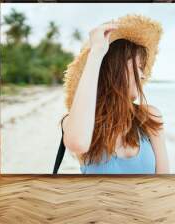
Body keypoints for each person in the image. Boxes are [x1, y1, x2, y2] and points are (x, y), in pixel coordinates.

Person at [61, 15, 169, 174]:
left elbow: (165, 182)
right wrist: (96, 54)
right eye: (139, 67)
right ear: (115, 69)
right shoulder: (75, 122)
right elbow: (78, 143)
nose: (143, 75)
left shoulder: (150, 117)